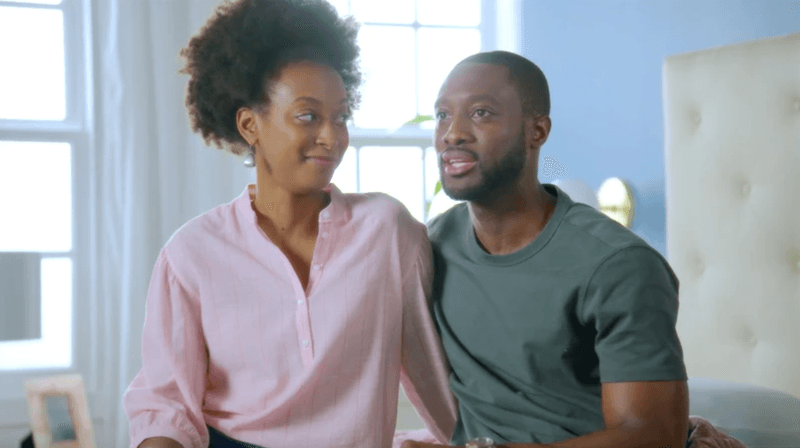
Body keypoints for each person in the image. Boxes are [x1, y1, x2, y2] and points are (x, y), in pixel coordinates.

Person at [122, 1, 457, 447]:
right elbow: (166, 405)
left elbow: (431, 371)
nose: (331, 137)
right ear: (249, 125)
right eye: (308, 116)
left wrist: (473, 440)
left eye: (340, 117)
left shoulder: (387, 230)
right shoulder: (192, 253)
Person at [403, 51, 689, 448]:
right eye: (442, 115)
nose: (453, 134)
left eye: (481, 113)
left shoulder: (617, 265)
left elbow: (652, 436)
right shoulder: (430, 247)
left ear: (536, 131)